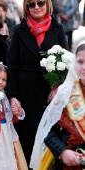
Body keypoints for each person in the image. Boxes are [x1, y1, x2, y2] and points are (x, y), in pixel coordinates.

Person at [6, 0, 69, 167]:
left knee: (50, 140)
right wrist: (12, 96)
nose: (36, 8)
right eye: (31, 4)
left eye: (40, 3)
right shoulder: (18, 31)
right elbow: (12, 66)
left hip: (51, 96)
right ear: (26, 7)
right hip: (26, 95)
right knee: (28, 143)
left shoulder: (58, 29)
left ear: (47, 4)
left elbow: (67, 63)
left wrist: (58, 87)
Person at [30, 41, 85, 169]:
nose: (84, 67)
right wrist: (62, 151)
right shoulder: (65, 93)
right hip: (70, 161)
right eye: (80, 62)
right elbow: (48, 130)